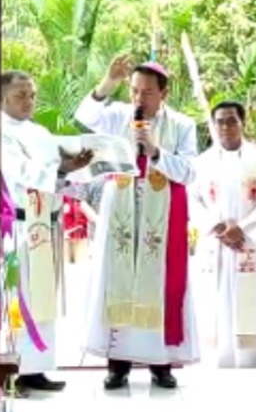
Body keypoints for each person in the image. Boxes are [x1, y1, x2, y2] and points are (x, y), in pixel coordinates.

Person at [74, 54, 199, 390]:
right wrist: (108, 83)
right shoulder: (118, 115)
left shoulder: (183, 125)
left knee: (161, 283)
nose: (138, 98)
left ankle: (161, 364)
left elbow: (190, 172)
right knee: (118, 278)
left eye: (147, 92)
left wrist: (156, 152)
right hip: (121, 211)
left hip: (163, 214)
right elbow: (84, 116)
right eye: (134, 90)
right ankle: (118, 365)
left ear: (164, 93)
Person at [0, 71, 93, 393]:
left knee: (42, 299)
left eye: (32, 95)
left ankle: (35, 368)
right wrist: (62, 168)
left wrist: (76, 167)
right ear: (2, 98)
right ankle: (8, 369)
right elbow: (21, 171)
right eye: (20, 95)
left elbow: (60, 177)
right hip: (18, 227)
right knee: (18, 298)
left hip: (46, 223)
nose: (29, 101)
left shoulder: (40, 132)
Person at [190, 101, 256, 368]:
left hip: (247, 242)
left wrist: (243, 227)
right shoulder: (202, 162)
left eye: (231, 121)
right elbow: (192, 200)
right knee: (215, 302)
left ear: (242, 123)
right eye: (220, 121)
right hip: (215, 245)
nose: (225, 127)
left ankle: (252, 360)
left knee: (248, 303)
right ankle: (218, 359)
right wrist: (217, 227)